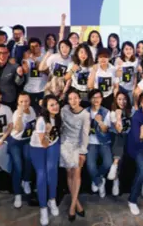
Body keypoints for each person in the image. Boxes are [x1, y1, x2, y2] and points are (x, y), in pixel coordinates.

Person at [31, 95, 62, 226]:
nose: (55, 107)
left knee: (52, 171)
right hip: (39, 147)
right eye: (51, 105)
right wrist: (48, 132)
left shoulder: (58, 117)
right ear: (46, 107)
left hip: (53, 143)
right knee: (42, 175)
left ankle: (52, 200)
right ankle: (43, 208)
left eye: (56, 104)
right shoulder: (41, 121)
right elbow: (43, 143)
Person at [60, 89, 90, 221]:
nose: (73, 101)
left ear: (80, 99)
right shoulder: (64, 109)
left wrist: (83, 151)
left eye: (75, 98)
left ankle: (72, 206)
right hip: (65, 144)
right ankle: (76, 202)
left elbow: (85, 134)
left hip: (78, 145)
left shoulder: (85, 114)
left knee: (76, 174)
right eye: (70, 98)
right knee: (69, 173)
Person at [8, 92, 37, 208]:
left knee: (29, 159)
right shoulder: (16, 114)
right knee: (18, 167)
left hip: (27, 140)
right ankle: (17, 194)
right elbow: (18, 129)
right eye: (21, 102)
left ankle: (26, 181)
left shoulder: (32, 110)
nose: (24, 104)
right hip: (16, 141)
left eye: (26, 101)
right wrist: (20, 115)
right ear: (18, 103)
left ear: (29, 101)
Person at [85, 89, 112, 198]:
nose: (96, 100)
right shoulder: (85, 111)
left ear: (102, 99)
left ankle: (98, 178)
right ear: (90, 99)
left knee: (108, 163)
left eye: (98, 97)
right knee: (90, 165)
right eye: (94, 97)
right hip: (90, 142)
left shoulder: (106, 112)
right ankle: (100, 183)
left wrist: (100, 122)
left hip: (104, 141)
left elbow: (106, 130)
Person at [107, 91, 135, 196]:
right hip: (117, 136)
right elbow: (119, 130)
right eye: (119, 99)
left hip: (129, 137)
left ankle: (115, 169)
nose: (122, 102)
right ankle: (115, 178)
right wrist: (118, 117)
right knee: (120, 137)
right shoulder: (113, 113)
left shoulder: (131, 111)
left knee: (123, 139)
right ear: (116, 100)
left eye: (124, 99)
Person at [22, 37, 48, 113]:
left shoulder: (45, 57)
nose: (34, 48)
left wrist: (35, 60)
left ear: (40, 46)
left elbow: (47, 72)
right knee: (29, 113)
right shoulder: (27, 58)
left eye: (36, 46)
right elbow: (25, 71)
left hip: (43, 90)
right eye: (32, 47)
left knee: (43, 113)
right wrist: (24, 60)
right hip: (29, 90)